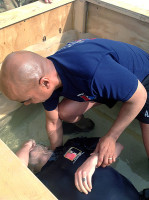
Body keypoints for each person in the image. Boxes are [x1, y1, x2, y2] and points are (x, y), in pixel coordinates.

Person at [0, 38, 149, 168]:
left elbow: (140, 96)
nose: (26, 104)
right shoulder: (48, 73)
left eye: (27, 100)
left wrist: (111, 136)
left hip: (142, 81)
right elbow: (53, 122)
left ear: (45, 83)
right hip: (107, 82)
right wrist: (56, 156)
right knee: (64, 112)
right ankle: (86, 125)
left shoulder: (91, 70)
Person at [16, 137, 144, 200]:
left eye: (31, 145)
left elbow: (117, 146)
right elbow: (16, 172)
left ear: (45, 147)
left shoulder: (72, 144)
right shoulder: (37, 181)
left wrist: (94, 160)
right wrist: (26, 146)